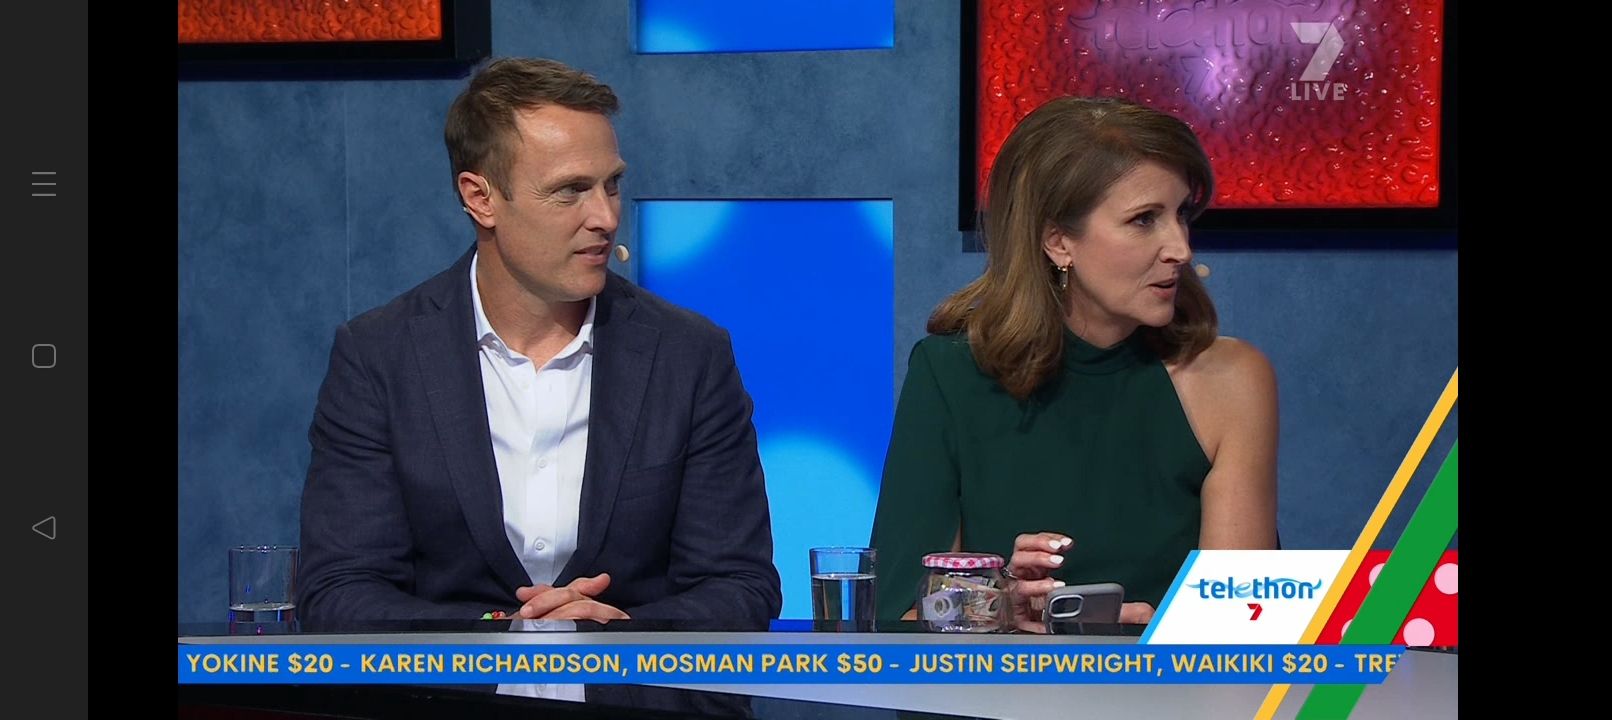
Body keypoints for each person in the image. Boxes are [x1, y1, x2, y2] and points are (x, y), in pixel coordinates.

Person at [296, 57, 782, 628]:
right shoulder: (379, 356)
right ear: (481, 198)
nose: (605, 217)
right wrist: (506, 634)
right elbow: (341, 590)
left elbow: (740, 586)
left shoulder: (688, 356)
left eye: (611, 185)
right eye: (570, 191)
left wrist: (616, 635)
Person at [870, 97, 1278, 630]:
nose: (1179, 248)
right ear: (1058, 240)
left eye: (1181, 214)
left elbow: (1242, 630)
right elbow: (900, 619)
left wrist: (1133, 645)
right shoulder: (948, 374)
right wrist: (1001, 612)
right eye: (1144, 220)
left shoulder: (1233, 379)